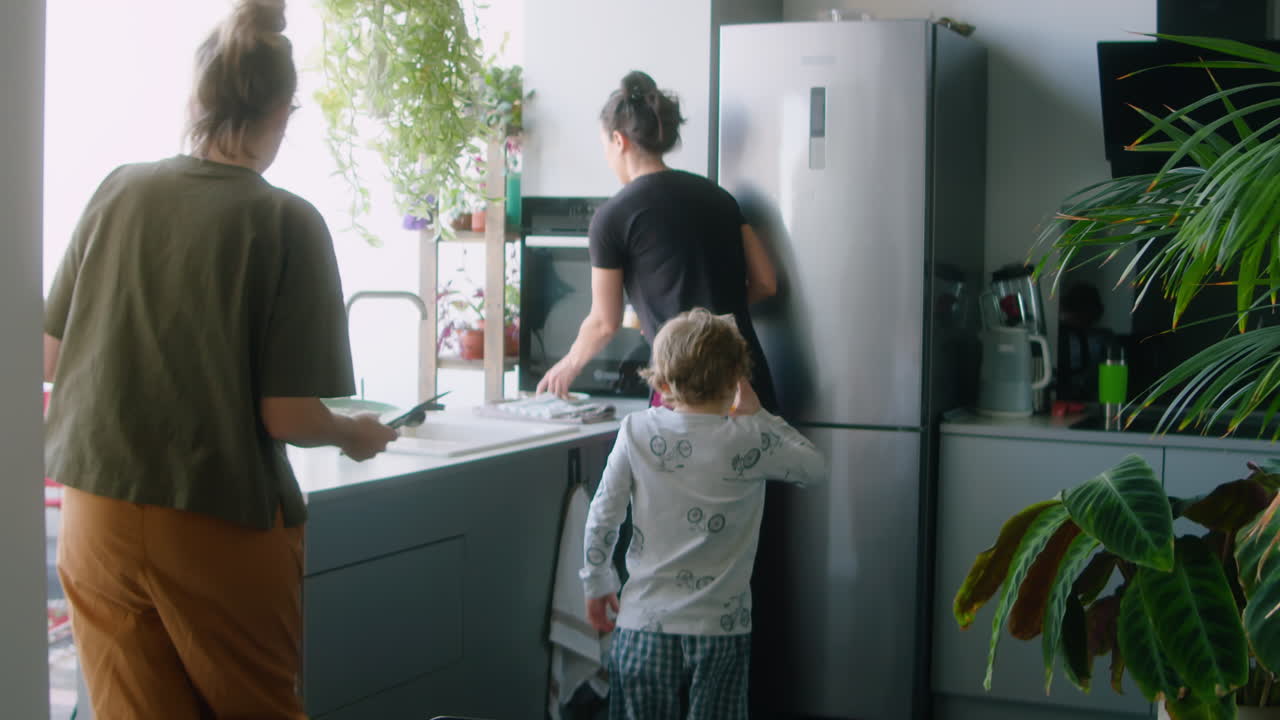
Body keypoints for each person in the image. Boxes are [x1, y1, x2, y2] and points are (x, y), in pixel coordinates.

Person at [43, 1, 397, 717]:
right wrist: (354, 434)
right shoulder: (284, 220)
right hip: (215, 519)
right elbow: (289, 415)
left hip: (94, 511)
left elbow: (50, 356)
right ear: (283, 110)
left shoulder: (117, 189)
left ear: (197, 100)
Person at [580, 309, 825, 719]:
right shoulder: (751, 438)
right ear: (736, 380)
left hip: (643, 624)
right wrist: (759, 414)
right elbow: (816, 469)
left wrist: (596, 581)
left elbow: (604, 512)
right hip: (721, 631)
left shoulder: (637, 431)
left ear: (660, 382)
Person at [535, 71, 780, 411]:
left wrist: (568, 365)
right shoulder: (719, 197)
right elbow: (766, 282)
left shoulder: (613, 216)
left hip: (687, 387)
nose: (606, 157)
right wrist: (710, 319)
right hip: (745, 380)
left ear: (619, 141)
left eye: (605, 145)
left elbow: (604, 322)